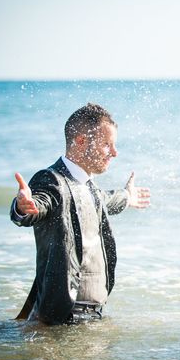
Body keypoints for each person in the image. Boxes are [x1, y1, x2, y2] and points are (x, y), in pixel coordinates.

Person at [11, 103, 151, 325]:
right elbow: (38, 206)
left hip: (90, 314)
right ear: (81, 141)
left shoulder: (88, 185)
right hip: (64, 316)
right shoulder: (52, 180)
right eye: (107, 145)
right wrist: (23, 208)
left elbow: (106, 200)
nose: (114, 153)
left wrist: (127, 196)